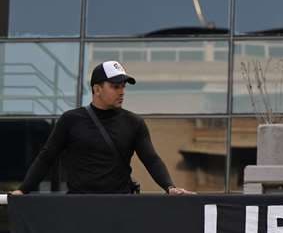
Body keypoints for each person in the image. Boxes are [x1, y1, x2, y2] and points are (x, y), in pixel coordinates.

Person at [11, 61, 193, 195]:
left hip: (119, 207)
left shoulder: (134, 122)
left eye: (123, 86)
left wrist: (170, 187)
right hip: (79, 208)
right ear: (97, 89)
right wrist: (23, 190)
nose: (121, 91)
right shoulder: (70, 120)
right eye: (115, 86)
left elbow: (151, 159)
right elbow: (46, 157)